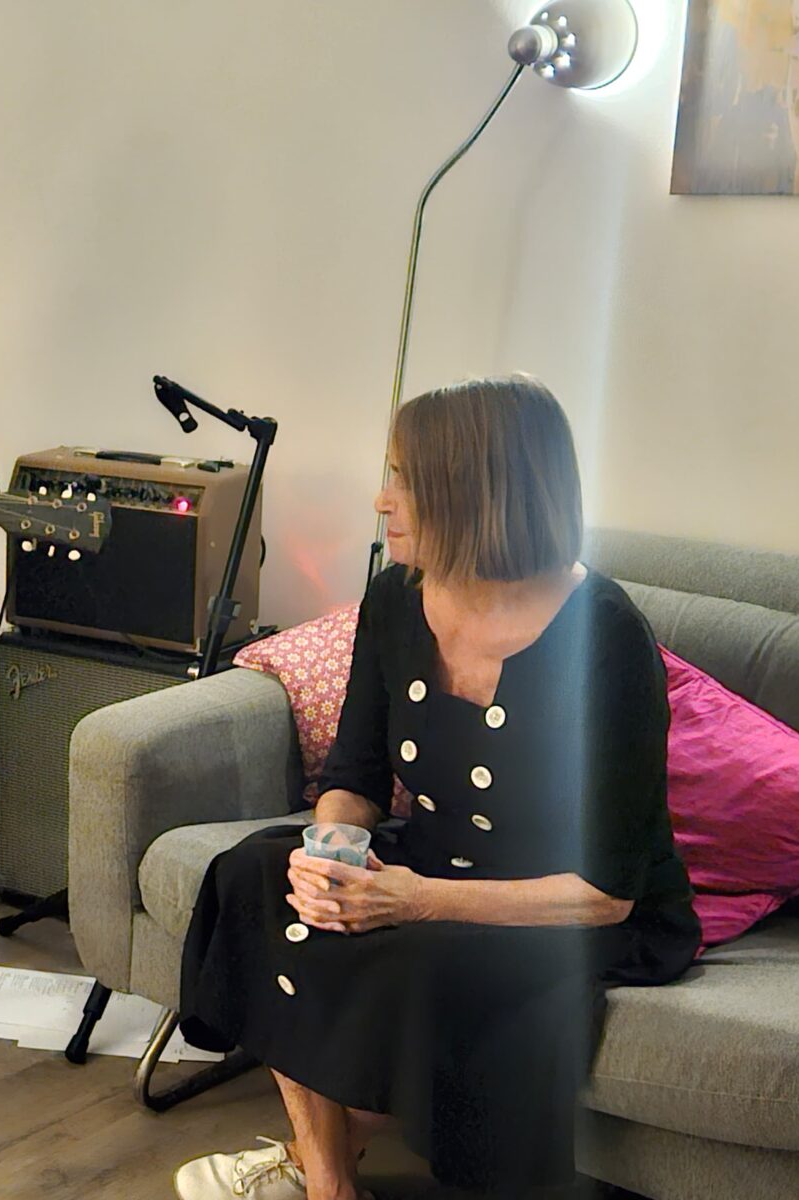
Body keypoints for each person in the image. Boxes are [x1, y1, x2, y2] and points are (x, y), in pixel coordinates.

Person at [170, 377, 699, 1199]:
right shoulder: (396, 599)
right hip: (435, 859)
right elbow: (353, 775)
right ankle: (329, 1181)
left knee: (407, 956)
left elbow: (607, 895)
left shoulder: (607, 638)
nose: (382, 501)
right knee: (256, 879)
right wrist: (331, 852)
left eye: (403, 479)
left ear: (478, 492)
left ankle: (325, 1163)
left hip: (564, 904)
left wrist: (408, 899)